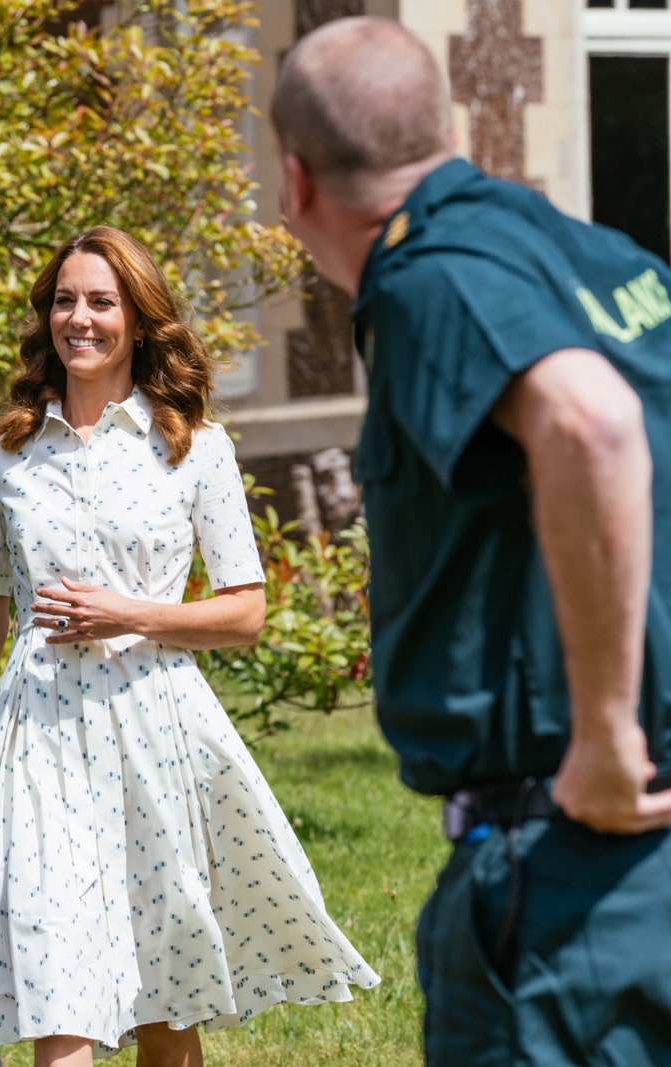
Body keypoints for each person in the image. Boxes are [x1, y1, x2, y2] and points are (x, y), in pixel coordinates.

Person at [271, 16, 671, 1065]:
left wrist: (603, 731)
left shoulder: (431, 277)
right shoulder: (597, 256)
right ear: (439, 131)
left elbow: (590, 424)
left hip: (573, 876)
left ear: (295, 181)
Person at [0, 226, 379, 1067]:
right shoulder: (3, 454)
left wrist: (129, 613)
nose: (81, 318)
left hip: (154, 729)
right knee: (55, 977)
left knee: (163, 997)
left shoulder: (195, 446)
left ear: (138, 321)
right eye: (65, 299)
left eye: (102, 301)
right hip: (39, 738)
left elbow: (244, 612)